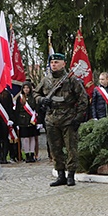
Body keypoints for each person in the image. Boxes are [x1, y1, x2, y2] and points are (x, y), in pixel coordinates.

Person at [36, 52, 89, 187]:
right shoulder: (46, 80)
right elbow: (35, 93)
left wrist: (78, 118)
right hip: (51, 119)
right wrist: (42, 100)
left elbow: (83, 100)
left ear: (63, 64)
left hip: (68, 119)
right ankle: (60, 174)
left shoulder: (72, 80)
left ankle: (71, 175)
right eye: (52, 63)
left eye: (56, 62)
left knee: (71, 148)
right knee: (55, 149)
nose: (54, 65)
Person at [15, 81, 40, 163]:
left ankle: (32, 154)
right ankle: (27, 155)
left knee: (32, 137)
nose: (26, 89)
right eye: (24, 88)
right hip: (23, 120)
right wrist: (17, 122)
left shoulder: (34, 97)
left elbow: (36, 108)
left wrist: (38, 121)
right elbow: (17, 110)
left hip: (32, 120)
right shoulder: (20, 98)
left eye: (27, 88)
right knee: (25, 138)